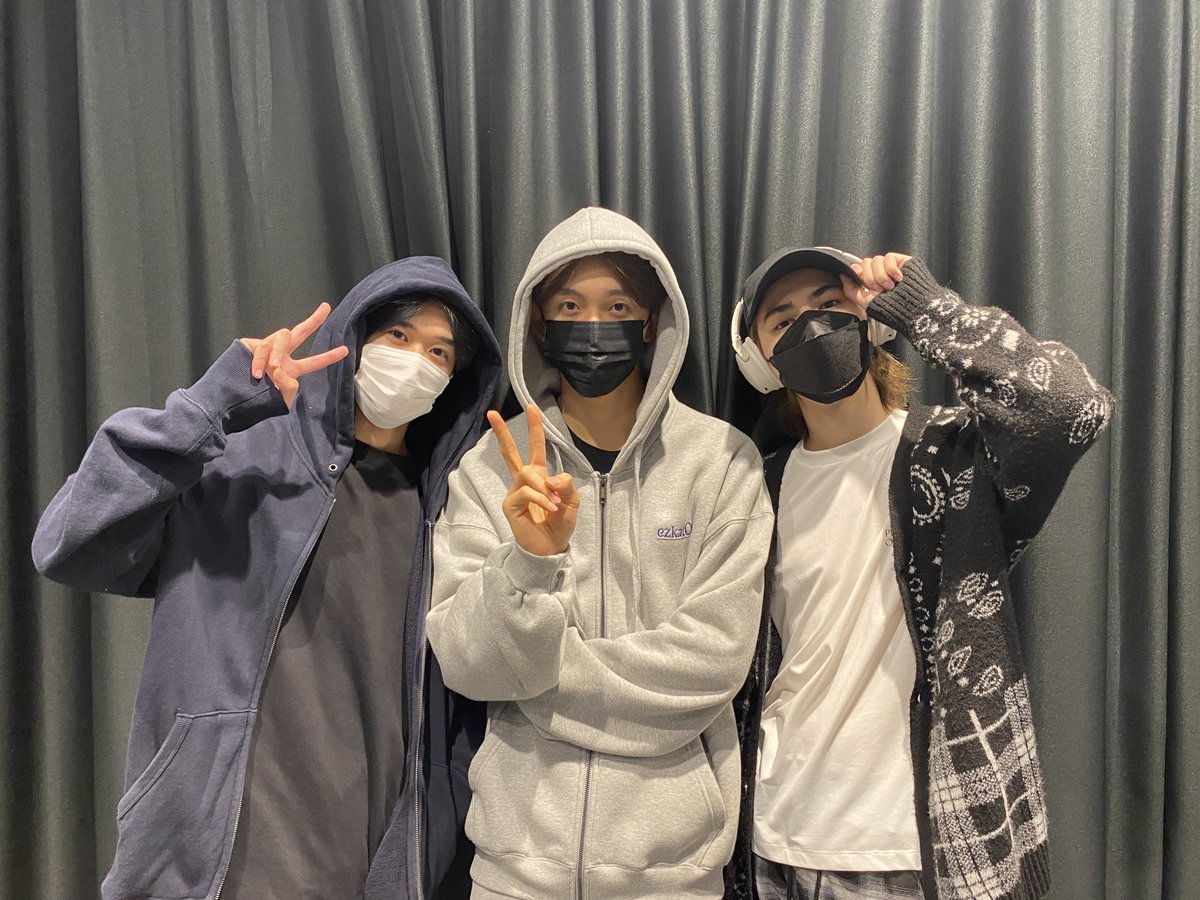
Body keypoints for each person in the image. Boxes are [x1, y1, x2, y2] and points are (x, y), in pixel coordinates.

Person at [31, 257, 501, 899]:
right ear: (354, 336)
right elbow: (67, 544)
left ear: (454, 378)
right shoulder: (241, 461)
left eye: (439, 351)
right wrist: (208, 408)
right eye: (398, 334)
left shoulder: (444, 511)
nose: (415, 360)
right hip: (214, 853)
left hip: (369, 856)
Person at [725, 248, 1114, 900]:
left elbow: (1069, 408)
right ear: (758, 358)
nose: (810, 326)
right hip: (773, 836)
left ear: (869, 320)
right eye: (782, 319)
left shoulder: (954, 455)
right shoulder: (758, 484)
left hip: (913, 847)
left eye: (829, 303)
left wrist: (925, 307)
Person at [426, 207, 774, 899]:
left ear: (651, 322)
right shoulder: (491, 468)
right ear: (537, 322)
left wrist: (536, 679)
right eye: (569, 306)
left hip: (674, 875)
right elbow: (468, 663)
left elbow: (713, 663)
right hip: (514, 872)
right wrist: (528, 566)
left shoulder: (721, 462)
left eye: (617, 306)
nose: (592, 325)